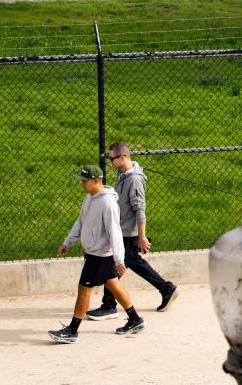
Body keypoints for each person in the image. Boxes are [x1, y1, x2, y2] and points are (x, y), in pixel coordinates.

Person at [49, 164, 146, 343]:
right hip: (94, 253)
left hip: (100, 256)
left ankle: (72, 330)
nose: (82, 184)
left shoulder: (108, 203)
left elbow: (115, 231)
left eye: (84, 181)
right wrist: (67, 242)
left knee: (84, 289)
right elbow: (80, 221)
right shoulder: (89, 198)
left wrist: (119, 259)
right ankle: (135, 319)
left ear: (96, 181)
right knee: (113, 285)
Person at [85, 141, 178, 321]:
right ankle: (166, 289)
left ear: (123, 157)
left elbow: (140, 209)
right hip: (122, 229)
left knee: (113, 267)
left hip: (128, 232)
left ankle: (109, 306)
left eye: (112, 158)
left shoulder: (134, 179)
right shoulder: (123, 174)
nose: (110, 161)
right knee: (133, 262)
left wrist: (142, 236)